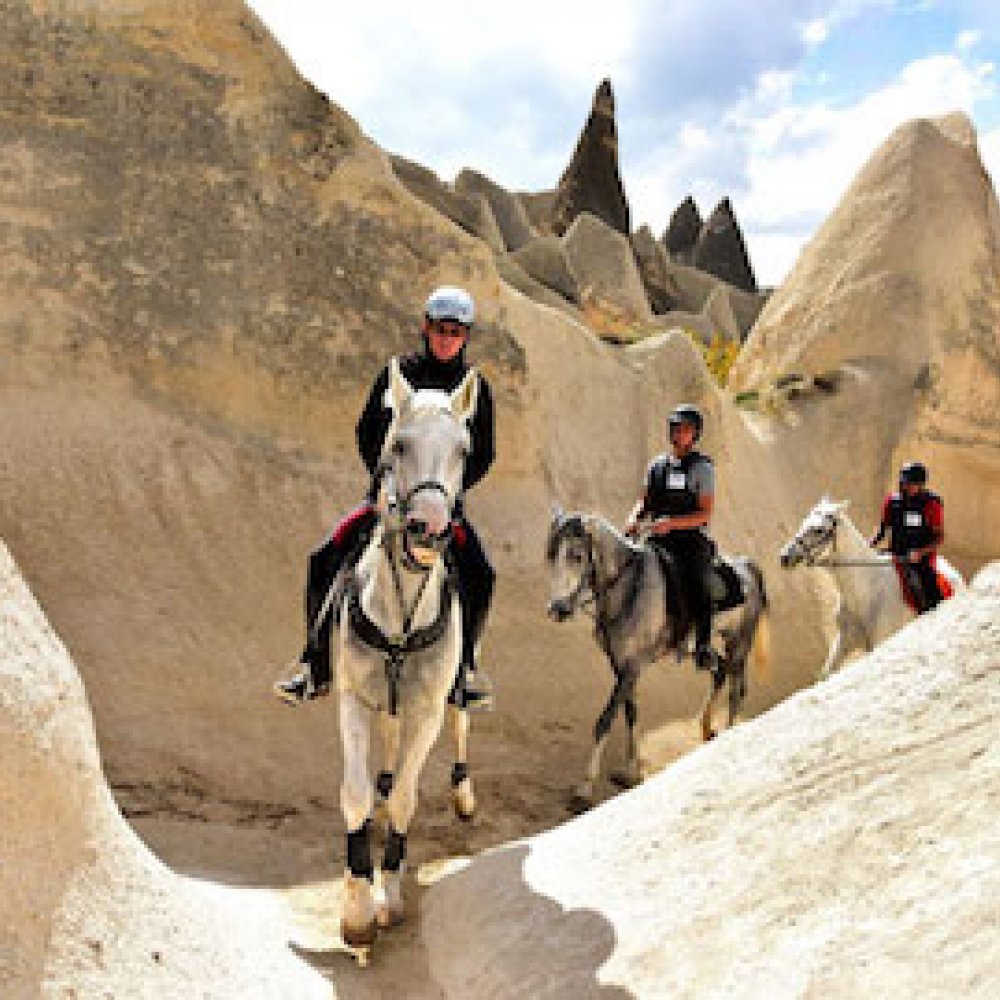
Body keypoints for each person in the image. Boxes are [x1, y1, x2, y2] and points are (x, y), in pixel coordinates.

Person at [274, 286, 496, 708]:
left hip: (442, 507)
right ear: (425, 328)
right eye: (439, 328)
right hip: (388, 499)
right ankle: (314, 664)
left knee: (481, 573)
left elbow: (483, 453)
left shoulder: (476, 389)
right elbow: (366, 432)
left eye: (456, 331)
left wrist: (449, 497)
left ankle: (465, 670)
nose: (446, 338)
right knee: (324, 556)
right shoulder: (398, 372)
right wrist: (382, 484)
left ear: (466, 336)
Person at [624, 404, 717, 670]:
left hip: (690, 540)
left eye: (685, 429)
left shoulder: (702, 469)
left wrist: (673, 524)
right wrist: (633, 519)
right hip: (657, 537)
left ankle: (703, 646)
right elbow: (644, 503)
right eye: (675, 428)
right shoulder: (657, 466)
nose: (679, 433)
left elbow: (705, 514)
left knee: (699, 582)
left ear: (695, 434)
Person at [869, 461, 944, 613]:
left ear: (921, 485)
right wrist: (869, 545)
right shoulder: (892, 501)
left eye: (912, 484)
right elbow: (883, 530)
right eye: (905, 483)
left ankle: (934, 613)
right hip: (895, 553)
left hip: (918, 557)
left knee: (928, 585)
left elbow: (939, 537)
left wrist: (920, 553)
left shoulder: (931, 505)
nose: (907, 487)